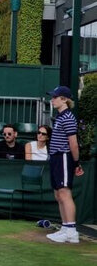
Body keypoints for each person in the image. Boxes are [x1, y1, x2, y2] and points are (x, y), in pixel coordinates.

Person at [45, 86, 85, 244]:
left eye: (55, 97)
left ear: (64, 99)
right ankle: (65, 228)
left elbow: (73, 144)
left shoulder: (68, 117)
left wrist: (76, 163)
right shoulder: (61, 116)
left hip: (63, 157)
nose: (52, 100)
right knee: (58, 194)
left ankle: (71, 232)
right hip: (56, 158)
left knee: (64, 193)